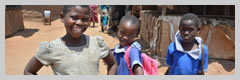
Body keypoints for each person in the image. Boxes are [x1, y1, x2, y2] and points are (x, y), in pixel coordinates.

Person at [24, 5, 117, 75]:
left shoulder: (97, 43)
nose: (80, 23)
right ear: (62, 17)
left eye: (85, 19)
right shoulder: (51, 48)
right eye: (74, 18)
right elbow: (29, 71)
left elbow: (113, 64)